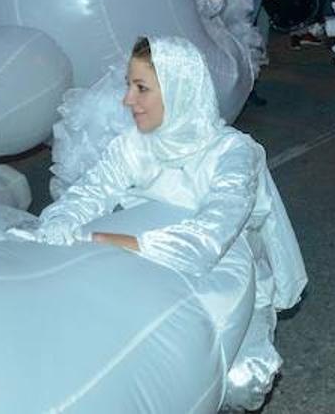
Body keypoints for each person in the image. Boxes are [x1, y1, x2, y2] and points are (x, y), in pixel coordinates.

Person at [32, 36, 307, 412]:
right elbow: (91, 190)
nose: (128, 99)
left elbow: (212, 233)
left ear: (180, 88)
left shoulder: (232, 150)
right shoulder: (136, 142)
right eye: (129, 85)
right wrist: (62, 221)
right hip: (138, 269)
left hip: (221, 281)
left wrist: (116, 242)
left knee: (239, 383)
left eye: (141, 87)